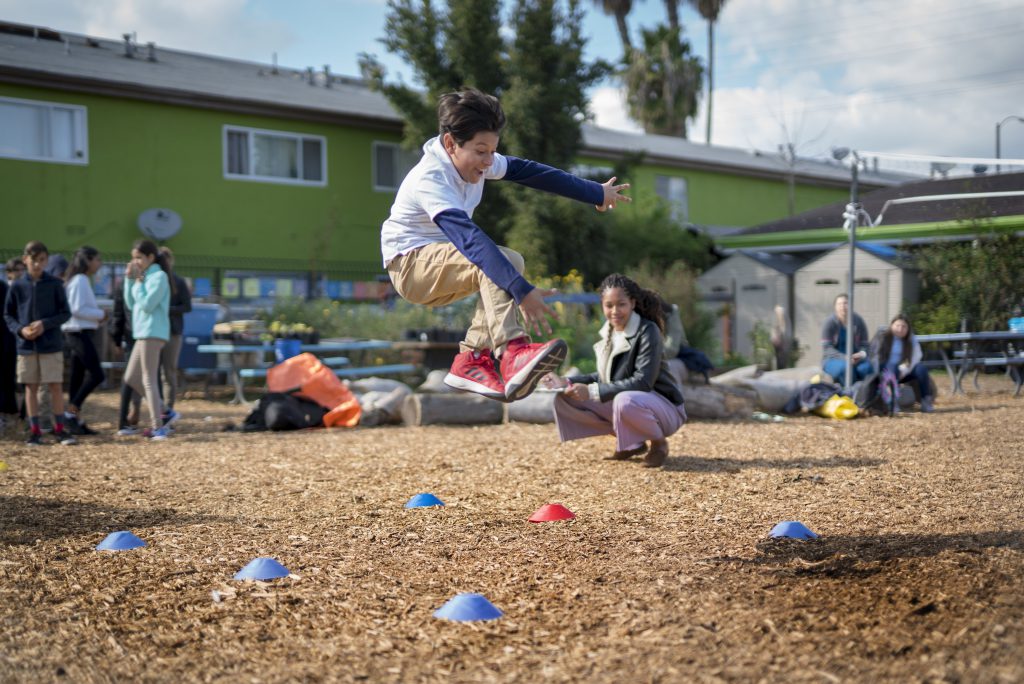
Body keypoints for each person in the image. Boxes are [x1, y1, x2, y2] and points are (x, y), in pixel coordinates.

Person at [380, 88, 630, 402]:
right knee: (496, 260)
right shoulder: (432, 179)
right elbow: (468, 239)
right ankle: (513, 351)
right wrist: (521, 291)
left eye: (493, 152)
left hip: (440, 264)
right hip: (410, 265)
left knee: (510, 260)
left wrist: (593, 192)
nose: (488, 162)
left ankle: (471, 359)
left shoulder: (478, 159)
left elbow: (532, 172)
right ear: (450, 144)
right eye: (481, 152)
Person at [542, 274, 687, 469]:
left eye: (621, 304)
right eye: (609, 305)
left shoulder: (647, 331)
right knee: (566, 398)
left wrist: (592, 391)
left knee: (624, 401)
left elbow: (643, 382)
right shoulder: (609, 333)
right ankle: (631, 443)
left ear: (633, 303)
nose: (614, 311)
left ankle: (659, 444)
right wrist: (564, 381)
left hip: (665, 408)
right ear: (602, 305)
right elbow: (603, 377)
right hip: (634, 401)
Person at [2, 241, 76, 446]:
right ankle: (34, 431)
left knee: (55, 385)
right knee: (30, 387)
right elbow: (8, 315)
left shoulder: (54, 284)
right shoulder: (17, 286)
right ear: (25, 259)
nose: (37, 264)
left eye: (42, 260)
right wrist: (21, 329)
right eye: (33, 260)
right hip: (25, 346)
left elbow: (65, 313)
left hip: (50, 344)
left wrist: (45, 324)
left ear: (46, 260)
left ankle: (60, 429)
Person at [120, 239, 178, 440]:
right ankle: (165, 412)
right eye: (133, 257)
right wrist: (129, 281)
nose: (135, 261)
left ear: (150, 257)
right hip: (142, 332)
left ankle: (158, 426)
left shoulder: (159, 276)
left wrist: (137, 283)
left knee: (148, 380)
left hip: (153, 332)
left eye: (138, 257)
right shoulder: (144, 276)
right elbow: (130, 303)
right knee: (131, 377)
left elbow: (147, 305)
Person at [62, 246, 107, 434]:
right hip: (77, 332)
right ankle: (70, 413)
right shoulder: (80, 280)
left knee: (77, 378)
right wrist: (100, 314)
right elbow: (77, 308)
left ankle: (74, 418)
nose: (99, 263)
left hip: (79, 332)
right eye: (97, 259)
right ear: (87, 260)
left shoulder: (79, 279)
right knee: (97, 374)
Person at [872, 314, 935, 413]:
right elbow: (875, 355)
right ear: (892, 325)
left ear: (908, 328)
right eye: (897, 325)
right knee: (892, 367)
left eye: (904, 326)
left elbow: (917, 356)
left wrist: (905, 369)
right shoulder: (883, 336)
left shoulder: (910, 339)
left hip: (903, 370)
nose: (900, 329)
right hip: (886, 370)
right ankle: (893, 402)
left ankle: (926, 400)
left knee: (921, 369)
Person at [158, 246, 191, 415]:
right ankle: (157, 409)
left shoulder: (179, 282)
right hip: (156, 331)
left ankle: (168, 409)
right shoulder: (153, 280)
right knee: (153, 372)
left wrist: (166, 309)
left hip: (172, 331)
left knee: (168, 371)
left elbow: (187, 306)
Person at [821, 293, 872, 384]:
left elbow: (865, 345)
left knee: (867, 368)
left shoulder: (858, 321)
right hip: (833, 360)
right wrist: (845, 358)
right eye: (839, 304)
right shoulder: (829, 322)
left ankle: (866, 394)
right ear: (835, 307)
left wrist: (860, 355)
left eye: (845, 303)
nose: (843, 306)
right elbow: (827, 348)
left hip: (856, 359)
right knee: (846, 368)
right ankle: (851, 393)